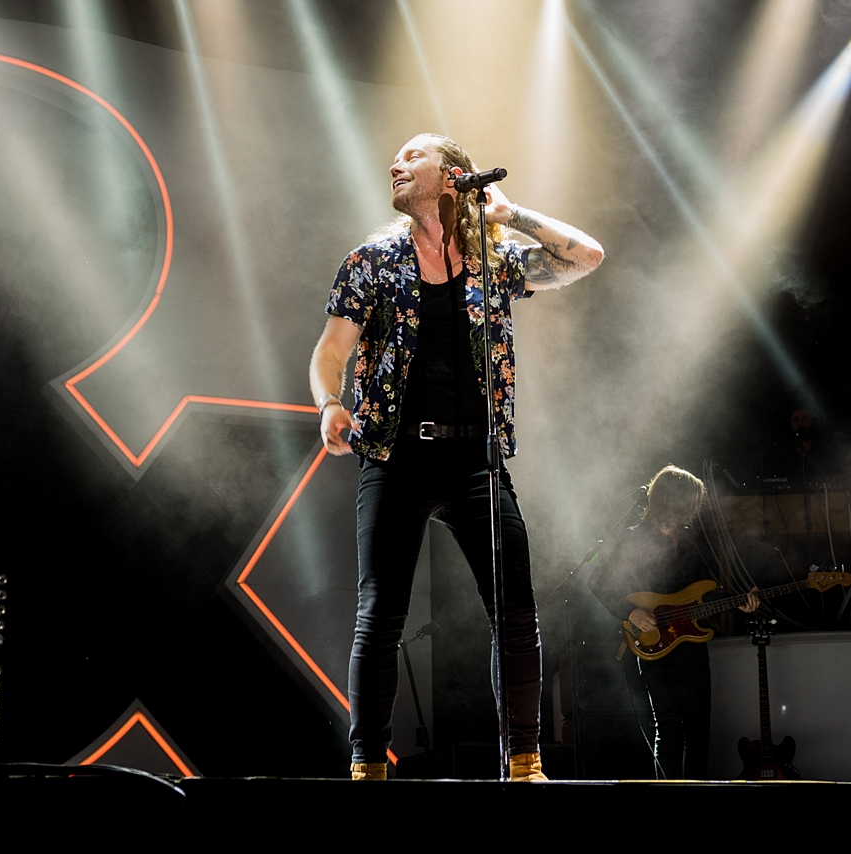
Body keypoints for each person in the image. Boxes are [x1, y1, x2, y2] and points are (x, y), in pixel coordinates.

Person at [308, 133, 605, 781]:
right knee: (380, 616)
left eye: (412, 155)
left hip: (476, 460)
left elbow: (587, 255)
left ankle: (524, 763)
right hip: (396, 458)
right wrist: (330, 402)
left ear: (453, 177)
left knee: (516, 613)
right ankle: (367, 767)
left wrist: (512, 214)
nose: (395, 163)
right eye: (396, 156)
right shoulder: (372, 262)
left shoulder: (493, 261)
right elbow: (330, 350)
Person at [588, 465, 759, 779]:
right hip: (654, 641)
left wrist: (738, 602)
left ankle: (696, 793)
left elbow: (704, 592)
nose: (693, 508)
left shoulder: (692, 540)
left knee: (699, 727)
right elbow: (597, 580)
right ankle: (667, 796)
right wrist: (629, 613)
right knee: (668, 728)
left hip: (691, 643)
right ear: (669, 498)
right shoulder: (633, 538)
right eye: (689, 500)